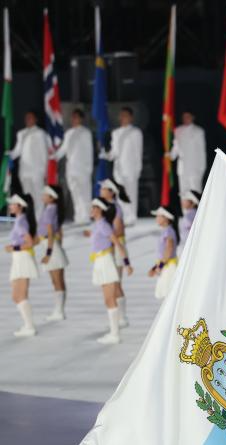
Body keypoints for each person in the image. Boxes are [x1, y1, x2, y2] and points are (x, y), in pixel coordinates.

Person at [83, 198, 125, 344]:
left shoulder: (103, 225)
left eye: (94, 207)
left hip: (105, 261)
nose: (91, 210)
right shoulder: (98, 225)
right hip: (100, 261)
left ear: (100, 209)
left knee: (110, 298)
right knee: (108, 299)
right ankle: (114, 332)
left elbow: (116, 242)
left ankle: (115, 334)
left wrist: (126, 262)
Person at [98, 178, 133, 328]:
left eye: (104, 188)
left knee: (116, 282)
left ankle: (122, 317)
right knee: (113, 282)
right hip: (111, 246)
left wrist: (105, 236)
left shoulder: (115, 208)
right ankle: (119, 316)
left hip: (116, 247)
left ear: (111, 192)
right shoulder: (107, 206)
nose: (101, 191)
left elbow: (117, 230)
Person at [101, 107, 143, 224]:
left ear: (131, 117)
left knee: (130, 192)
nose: (122, 118)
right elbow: (114, 152)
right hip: (118, 168)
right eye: (121, 115)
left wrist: (138, 169)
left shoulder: (136, 132)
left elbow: (138, 152)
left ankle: (131, 217)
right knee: (120, 193)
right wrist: (107, 155)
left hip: (131, 167)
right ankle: (122, 216)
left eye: (125, 115)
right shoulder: (116, 133)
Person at [51, 108, 94, 224]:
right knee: (75, 193)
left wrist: (89, 169)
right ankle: (79, 216)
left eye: (76, 117)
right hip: (71, 168)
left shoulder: (86, 133)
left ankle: (86, 216)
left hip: (83, 168)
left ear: (81, 119)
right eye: (72, 117)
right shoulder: (68, 133)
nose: (73, 119)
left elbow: (89, 151)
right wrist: (54, 156)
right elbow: (63, 149)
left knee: (84, 193)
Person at [5, 194, 38, 336]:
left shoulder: (21, 222)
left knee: (19, 295)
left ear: (20, 206)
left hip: (22, 259)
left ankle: (29, 326)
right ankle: (28, 325)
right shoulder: (20, 220)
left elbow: (30, 243)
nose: (10, 206)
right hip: (18, 259)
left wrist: (14, 248)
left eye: (13, 204)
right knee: (17, 295)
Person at [8, 111, 51, 220]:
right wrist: (8, 155)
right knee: (27, 196)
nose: (28, 119)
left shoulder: (41, 133)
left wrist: (45, 171)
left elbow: (44, 154)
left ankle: (39, 219)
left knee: (38, 195)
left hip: (37, 170)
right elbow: (17, 151)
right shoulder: (21, 133)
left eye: (30, 117)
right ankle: (30, 219)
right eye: (26, 117)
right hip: (24, 171)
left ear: (35, 119)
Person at [38, 186, 69, 322]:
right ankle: (58, 310)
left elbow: (50, 232)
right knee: (57, 281)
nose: (43, 196)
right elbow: (59, 232)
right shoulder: (52, 209)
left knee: (57, 281)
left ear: (52, 197)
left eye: (46, 194)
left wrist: (49, 253)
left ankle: (59, 311)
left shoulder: (50, 210)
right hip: (52, 245)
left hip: (50, 246)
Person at [168, 110, 207, 195]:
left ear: (193, 117)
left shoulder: (198, 131)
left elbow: (202, 153)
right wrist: (169, 155)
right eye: (184, 117)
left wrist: (201, 170)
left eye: (188, 117)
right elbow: (176, 148)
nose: (185, 119)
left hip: (195, 169)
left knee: (195, 195)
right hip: (182, 170)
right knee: (183, 195)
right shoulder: (178, 130)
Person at [147, 207, 179, 300]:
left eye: (158, 216)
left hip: (169, 267)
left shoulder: (168, 231)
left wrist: (160, 266)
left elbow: (169, 250)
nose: (156, 218)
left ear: (166, 218)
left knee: (169, 296)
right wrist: (155, 267)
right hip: (166, 266)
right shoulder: (166, 230)